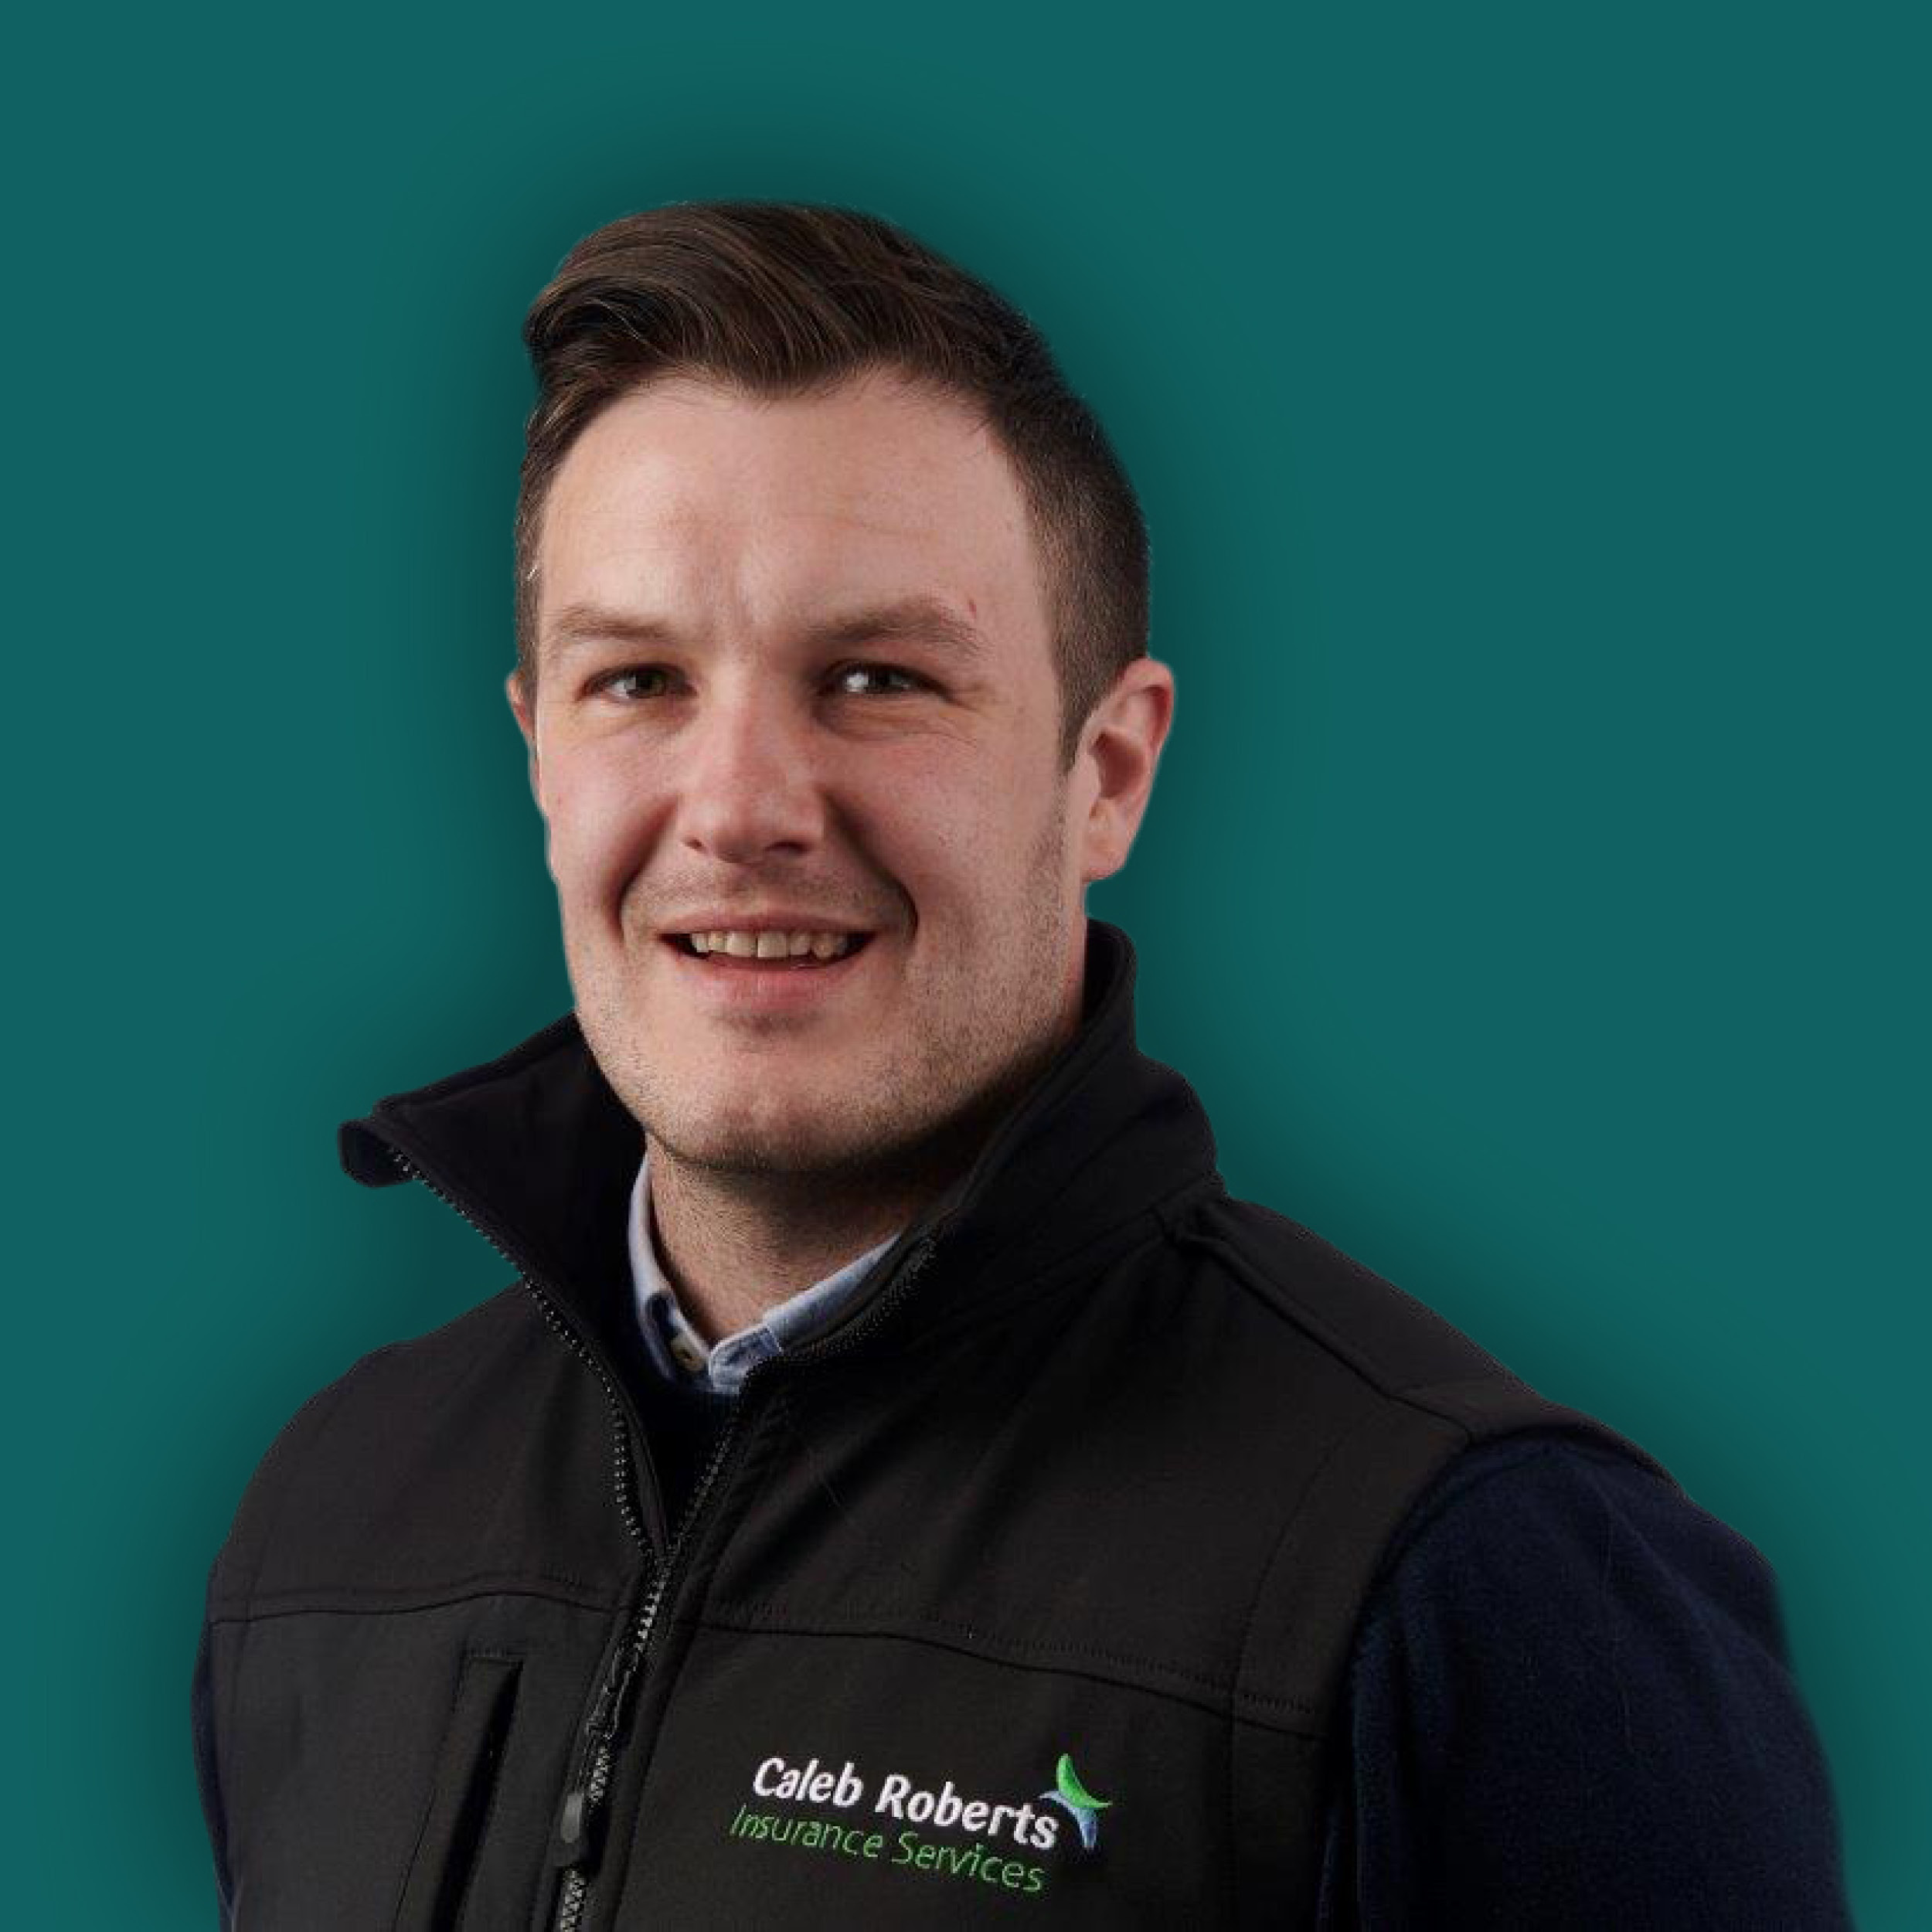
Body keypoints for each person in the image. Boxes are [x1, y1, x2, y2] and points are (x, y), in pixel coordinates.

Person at [192, 199, 1853, 1929]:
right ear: (541, 753)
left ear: (1107, 771)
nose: (740, 806)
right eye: (639, 681)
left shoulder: (1475, 1581)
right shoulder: (328, 1517)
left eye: (875, 677)